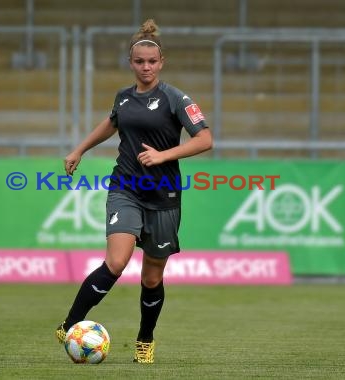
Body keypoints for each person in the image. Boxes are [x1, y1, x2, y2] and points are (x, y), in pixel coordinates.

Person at [55, 18, 212, 364]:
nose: (145, 67)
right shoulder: (124, 98)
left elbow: (205, 139)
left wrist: (163, 155)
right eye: (139, 62)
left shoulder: (175, 98)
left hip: (164, 197)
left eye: (151, 62)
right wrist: (79, 149)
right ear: (131, 63)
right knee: (116, 262)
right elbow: (111, 123)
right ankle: (70, 324)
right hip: (126, 188)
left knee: (151, 277)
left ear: (161, 63)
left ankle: (145, 338)